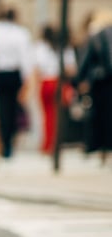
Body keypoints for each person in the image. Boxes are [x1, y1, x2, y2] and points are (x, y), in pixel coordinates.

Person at [0, 9, 32, 158]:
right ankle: (8, 143)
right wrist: (26, 81)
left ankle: (4, 142)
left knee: (1, 109)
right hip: (13, 73)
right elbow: (25, 58)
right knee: (12, 110)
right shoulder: (20, 33)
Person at [31, 26, 77, 154]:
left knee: (47, 115)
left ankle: (48, 144)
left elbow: (37, 69)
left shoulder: (40, 47)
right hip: (58, 82)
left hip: (46, 82)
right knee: (57, 116)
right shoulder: (65, 48)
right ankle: (55, 143)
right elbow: (71, 68)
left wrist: (34, 86)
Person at [76, 9, 112, 160]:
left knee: (99, 114)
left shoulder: (95, 35)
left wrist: (80, 79)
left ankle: (101, 146)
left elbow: (86, 60)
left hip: (99, 80)